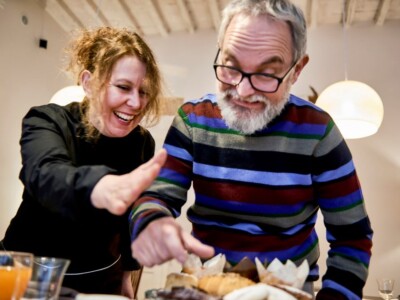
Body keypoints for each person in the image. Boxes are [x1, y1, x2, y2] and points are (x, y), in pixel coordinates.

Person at [129, 0, 373, 299]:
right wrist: (153, 222)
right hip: (207, 287)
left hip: (288, 291)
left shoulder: (319, 132)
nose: (242, 91)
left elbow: (353, 237)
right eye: (231, 67)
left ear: (296, 70)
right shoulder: (193, 120)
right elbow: (157, 198)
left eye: (267, 74)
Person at [1, 27, 167, 297]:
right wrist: (101, 188)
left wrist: (128, 274)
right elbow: (46, 174)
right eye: (123, 87)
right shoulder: (47, 120)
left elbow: (131, 218)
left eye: (144, 92)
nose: (135, 102)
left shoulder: (142, 142)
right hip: (27, 274)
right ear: (88, 82)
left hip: (100, 279)